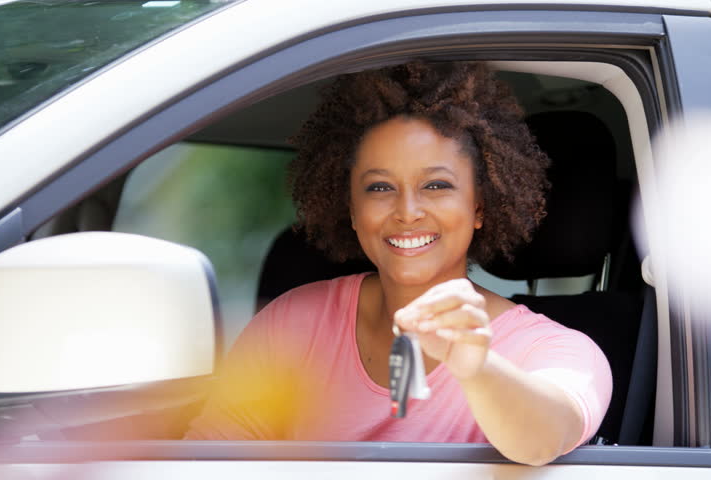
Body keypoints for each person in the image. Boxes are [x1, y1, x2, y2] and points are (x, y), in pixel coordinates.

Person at [185, 60, 612, 466]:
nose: (407, 211)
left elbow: (545, 438)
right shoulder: (291, 325)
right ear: (351, 209)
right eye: (379, 187)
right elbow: (202, 466)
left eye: (436, 184)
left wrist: (477, 368)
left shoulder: (554, 349)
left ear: (479, 206)